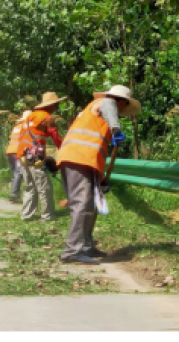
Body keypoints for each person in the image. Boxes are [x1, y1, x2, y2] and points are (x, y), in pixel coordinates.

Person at [56, 85, 140, 265]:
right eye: (124, 106)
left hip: (87, 162)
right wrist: (116, 130)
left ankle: (86, 246)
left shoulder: (103, 117)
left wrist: (100, 179)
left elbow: (96, 148)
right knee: (82, 204)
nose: (123, 110)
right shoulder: (105, 102)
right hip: (78, 158)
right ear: (121, 101)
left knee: (91, 204)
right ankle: (72, 251)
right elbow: (109, 104)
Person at [16, 92, 65, 222]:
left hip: (22, 155)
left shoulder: (30, 117)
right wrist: (65, 149)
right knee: (44, 187)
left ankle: (26, 215)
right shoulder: (47, 118)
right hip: (35, 157)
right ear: (52, 105)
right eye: (56, 104)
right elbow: (56, 138)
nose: (57, 106)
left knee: (29, 187)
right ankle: (47, 215)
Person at [7, 110, 30, 202]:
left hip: (10, 151)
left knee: (14, 173)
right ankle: (14, 194)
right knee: (19, 172)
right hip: (17, 152)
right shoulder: (25, 128)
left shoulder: (16, 127)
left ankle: (14, 194)